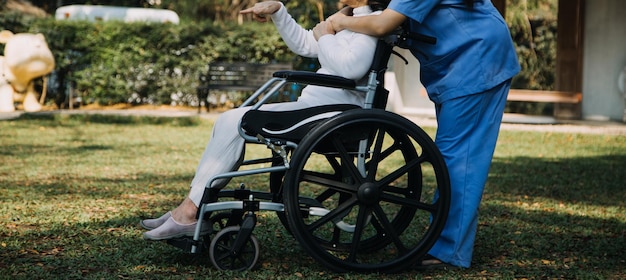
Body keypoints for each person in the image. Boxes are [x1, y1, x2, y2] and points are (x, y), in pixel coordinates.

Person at [140, 0, 390, 241]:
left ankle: (188, 213)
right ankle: (191, 207)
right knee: (229, 119)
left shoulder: (372, 21)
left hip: (335, 112)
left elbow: (351, 68)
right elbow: (306, 44)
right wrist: (279, 11)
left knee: (238, 120)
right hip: (316, 106)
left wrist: (326, 33)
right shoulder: (351, 19)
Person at [328, 0, 520, 269]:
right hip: (461, 61)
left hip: (476, 59)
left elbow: (383, 24)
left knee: (458, 159)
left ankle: (448, 251)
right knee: (453, 154)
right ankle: (445, 243)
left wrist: (340, 22)